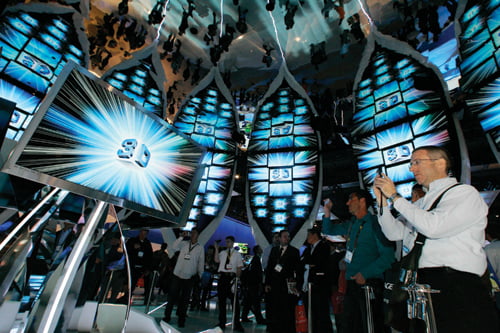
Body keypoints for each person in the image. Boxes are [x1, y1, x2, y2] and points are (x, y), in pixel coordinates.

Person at [374, 145, 499, 332]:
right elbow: (394, 233)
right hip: (424, 284)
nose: (412, 168)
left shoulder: (464, 193)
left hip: (457, 286)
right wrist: (382, 202)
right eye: (411, 164)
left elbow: (434, 227)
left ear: (440, 163)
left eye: (417, 162)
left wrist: (395, 196)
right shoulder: (421, 203)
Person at [323, 190, 394, 333]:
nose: (347, 203)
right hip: (352, 283)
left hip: (369, 284)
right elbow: (328, 230)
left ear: (362, 201)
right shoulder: (352, 224)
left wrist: (366, 274)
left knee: (372, 324)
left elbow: (388, 256)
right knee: (352, 325)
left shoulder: (375, 223)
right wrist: (326, 211)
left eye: (351, 199)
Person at [162, 228, 204, 328]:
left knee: (185, 300)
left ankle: (181, 319)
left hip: (189, 277)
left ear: (198, 235)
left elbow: (201, 262)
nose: (193, 235)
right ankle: (167, 316)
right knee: (171, 297)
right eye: (192, 233)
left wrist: (200, 275)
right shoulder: (184, 243)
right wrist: (181, 237)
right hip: (177, 274)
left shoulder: (200, 248)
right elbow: (173, 246)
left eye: (195, 233)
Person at [264, 229, 301, 333]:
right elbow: (270, 268)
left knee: (286, 309)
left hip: (286, 284)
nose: (287, 238)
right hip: (274, 284)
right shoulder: (274, 250)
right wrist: (267, 283)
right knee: (274, 308)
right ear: (279, 238)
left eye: (288, 236)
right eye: (284, 236)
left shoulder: (294, 251)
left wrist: (297, 285)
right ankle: (274, 328)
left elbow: (298, 269)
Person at [301, 228, 334, 332]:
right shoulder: (308, 249)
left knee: (321, 312)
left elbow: (319, 263)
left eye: (308, 235)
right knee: (311, 311)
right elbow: (303, 262)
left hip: (320, 285)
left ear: (315, 235)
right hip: (308, 285)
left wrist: (310, 264)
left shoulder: (323, 247)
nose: (307, 238)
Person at [215, 236, 245, 332]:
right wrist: (216, 249)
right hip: (223, 277)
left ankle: (236, 323)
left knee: (235, 303)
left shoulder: (237, 254)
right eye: (226, 241)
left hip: (232, 278)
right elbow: (216, 260)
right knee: (221, 301)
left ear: (232, 242)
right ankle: (221, 322)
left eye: (228, 241)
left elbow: (239, 267)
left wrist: (237, 279)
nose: (226, 243)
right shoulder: (223, 253)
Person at [126, 229, 153, 304]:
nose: (143, 235)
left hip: (143, 267)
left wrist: (148, 268)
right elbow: (127, 251)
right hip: (133, 266)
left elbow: (150, 256)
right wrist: (133, 248)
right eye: (142, 233)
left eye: (145, 234)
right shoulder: (132, 241)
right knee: (131, 284)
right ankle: (127, 299)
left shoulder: (147, 243)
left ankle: (147, 300)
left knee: (147, 284)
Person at [241, 245, 265, 324]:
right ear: (258, 250)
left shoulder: (254, 259)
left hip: (251, 283)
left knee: (249, 301)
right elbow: (256, 273)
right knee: (255, 302)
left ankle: (244, 316)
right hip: (254, 284)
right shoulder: (257, 259)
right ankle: (259, 318)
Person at [199, 244, 218, 311]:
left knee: (204, 291)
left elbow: (215, 267)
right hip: (203, 274)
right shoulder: (204, 256)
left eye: (211, 250)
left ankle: (201, 305)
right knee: (200, 291)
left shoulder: (212, 258)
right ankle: (198, 304)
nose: (210, 252)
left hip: (208, 275)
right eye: (209, 250)